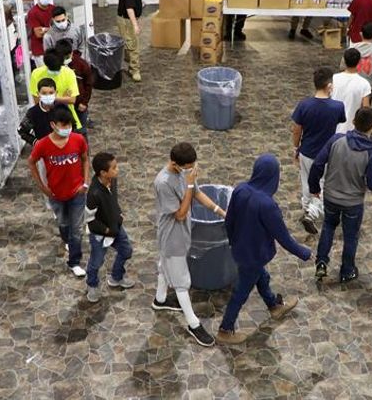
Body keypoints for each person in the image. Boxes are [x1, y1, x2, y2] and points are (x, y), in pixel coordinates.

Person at [216, 154, 312, 344]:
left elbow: (229, 220)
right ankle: (225, 329)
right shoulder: (267, 205)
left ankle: (274, 306)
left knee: (262, 277)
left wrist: (233, 241)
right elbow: (283, 238)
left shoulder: (241, 190)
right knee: (241, 291)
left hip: (240, 249)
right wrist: (305, 253)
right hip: (255, 255)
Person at [152, 142, 228, 346]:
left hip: (182, 232)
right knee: (181, 282)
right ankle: (193, 324)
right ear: (175, 164)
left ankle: (160, 300)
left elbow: (197, 194)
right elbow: (180, 214)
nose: (191, 170)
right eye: (188, 167)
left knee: (164, 266)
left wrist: (221, 212)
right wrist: (189, 184)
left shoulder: (185, 174)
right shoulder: (163, 182)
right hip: (172, 236)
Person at [309, 107, 372, 283]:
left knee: (328, 226)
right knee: (351, 236)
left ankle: (321, 262)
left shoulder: (336, 140)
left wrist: (314, 187)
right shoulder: (371, 153)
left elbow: (318, 164)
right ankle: (347, 270)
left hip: (331, 196)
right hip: (353, 202)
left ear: (353, 121)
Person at [27, 107, 90, 277]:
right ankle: (66, 239)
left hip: (77, 193)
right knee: (63, 223)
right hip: (55, 194)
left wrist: (85, 182)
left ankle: (74, 261)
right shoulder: (43, 145)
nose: (67, 128)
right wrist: (42, 186)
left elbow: (85, 159)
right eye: (63, 125)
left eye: (69, 124)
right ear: (53, 125)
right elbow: (31, 162)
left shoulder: (78, 140)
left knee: (76, 228)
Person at [292, 68, 346, 235]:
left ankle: (307, 208)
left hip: (306, 151)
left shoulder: (303, 105)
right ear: (329, 86)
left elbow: (296, 129)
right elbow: (340, 122)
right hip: (326, 154)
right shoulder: (337, 107)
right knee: (323, 185)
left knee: (306, 181)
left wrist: (296, 147)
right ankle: (312, 213)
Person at [85, 152, 134, 303]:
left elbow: (113, 200)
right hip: (100, 234)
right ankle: (92, 285)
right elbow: (89, 219)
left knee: (126, 251)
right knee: (96, 262)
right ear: (103, 172)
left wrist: (119, 214)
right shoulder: (93, 194)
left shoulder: (112, 180)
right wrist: (106, 230)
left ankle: (116, 277)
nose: (117, 170)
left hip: (116, 227)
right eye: (114, 168)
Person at [29, 50, 83, 132]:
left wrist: (51, 98)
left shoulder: (69, 73)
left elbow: (72, 100)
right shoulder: (36, 74)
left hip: (65, 118)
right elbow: (37, 102)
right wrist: (63, 99)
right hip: (44, 121)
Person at [53, 39, 94, 135]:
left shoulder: (81, 65)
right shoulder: (54, 65)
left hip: (79, 105)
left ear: (71, 53)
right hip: (61, 104)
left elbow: (88, 84)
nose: (65, 60)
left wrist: (84, 102)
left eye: (67, 57)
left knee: (81, 132)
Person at [332, 48, 372, 134]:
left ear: (344, 60)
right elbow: (366, 110)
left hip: (332, 126)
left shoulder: (334, 79)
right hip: (351, 129)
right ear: (359, 62)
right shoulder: (364, 84)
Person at [18, 77, 68, 146]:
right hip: (43, 150)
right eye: (44, 93)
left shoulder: (62, 108)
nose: (48, 96)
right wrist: (35, 142)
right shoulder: (33, 112)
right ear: (38, 94)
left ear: (56, 93)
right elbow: (21, 130)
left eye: (51, 93)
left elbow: (72, 126)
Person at [117, 0, 144, 82]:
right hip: (127, 21)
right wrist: (135, 25)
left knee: (128, 42)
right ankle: (134, 70)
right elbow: (129, 8)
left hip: (124, 19)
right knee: (133, 45)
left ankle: (129, 63)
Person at [26, 0, 55, 68]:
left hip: (52, 49)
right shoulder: (33, 13)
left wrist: (44, 29)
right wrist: (52, 29)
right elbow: (38, 34)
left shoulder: (53, 8)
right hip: (40, 51)